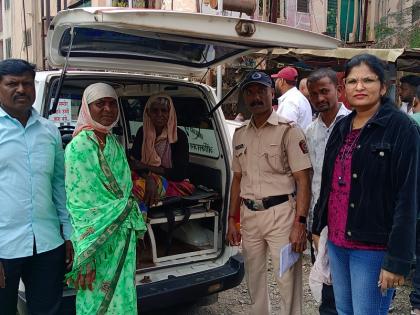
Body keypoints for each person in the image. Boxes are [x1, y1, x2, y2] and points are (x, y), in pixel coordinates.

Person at [312, 54, 420, 315]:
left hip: (372, 246)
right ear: (344, 87)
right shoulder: (342, 127)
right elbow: (328, 183)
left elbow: (409, 198)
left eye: (368, 80)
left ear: (384, 87)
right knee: (343, 311)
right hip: (338, 241)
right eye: (352, 81)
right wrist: (318, 227)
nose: (359, 87)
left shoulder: (402, 129)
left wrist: (396, 260)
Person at [227, 71, 312, 315]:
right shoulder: (240, 134)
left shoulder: (288, 131)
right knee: (253, 279)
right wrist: (232, 220)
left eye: (261, 91)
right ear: (245, 97)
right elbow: (237, 179)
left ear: (272, 93)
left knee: (286, 280)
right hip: (250, 216)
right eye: (250, 92)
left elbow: (303, 180)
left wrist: (300, 223)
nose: (256, 97)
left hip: (282, 215)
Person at [64, 83, 147, 314]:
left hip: (122, 236)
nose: (108, 109)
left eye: (112, 103)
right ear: (87, 108)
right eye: (100, 103)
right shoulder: (78, 148)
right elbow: (79, 205)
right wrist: (85, 253)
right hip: (95, 242)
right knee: (94, 298)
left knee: (122, 293)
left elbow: (125, 192)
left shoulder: (114, 145)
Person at [0, 59, 73, 315]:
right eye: (12, 84)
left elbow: (59, 186)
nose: (21, 89)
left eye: (27, 83)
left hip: (47, 243)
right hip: (4, 246)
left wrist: (68, 235)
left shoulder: (49, 131)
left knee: (48, 310)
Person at [305, 68, 351, 315]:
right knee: (324, 283)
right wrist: (308, 223)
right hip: (319, 220)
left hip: (347, 220)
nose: (320, 98)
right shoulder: (310, 131)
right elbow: (311, 178)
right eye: (314, 94)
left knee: (347, 284)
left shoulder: (355, 124)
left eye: (325, 91)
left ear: (338, 90)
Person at [129, 93, 194, 212]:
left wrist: (146, 167)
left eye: (164, 110)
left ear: (170, 113)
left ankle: (139, 225)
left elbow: (178, 174)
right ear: (148, 113)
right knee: (121, 185)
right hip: (146, 176)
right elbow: (134, 164)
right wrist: (149, 178)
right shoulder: (143, 132)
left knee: (137, 190)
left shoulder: (178, 136)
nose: (160, 115)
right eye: (155, 110)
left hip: (174, 183)